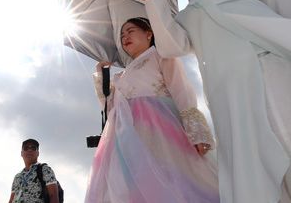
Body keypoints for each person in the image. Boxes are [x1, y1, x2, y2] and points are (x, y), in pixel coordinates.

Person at [138, 0, 291, 203]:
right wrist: (153, 3)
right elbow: (171, 46)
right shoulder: (185, 18)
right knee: (254, 166)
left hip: (272, 68)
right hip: (230, 95)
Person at [84, 17, 219, 203]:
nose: (125, 37)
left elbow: (181, 90)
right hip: (126, 139)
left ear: (149, 34)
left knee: (174, 180)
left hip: (159, 131)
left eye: (131, 31)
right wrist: (102, 76)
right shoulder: (120, 75)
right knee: (135, 185)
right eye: (122, 35)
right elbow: (110, 109)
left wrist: (197, 132)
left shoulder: (160, 54)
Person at [9, 139, 60, 203]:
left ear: (37, 153)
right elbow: (11, 200)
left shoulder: (45, 170)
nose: (29, 150)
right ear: (22, 153)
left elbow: (53, 196)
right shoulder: (17, 177)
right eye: (26, 148)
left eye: (33, 148)